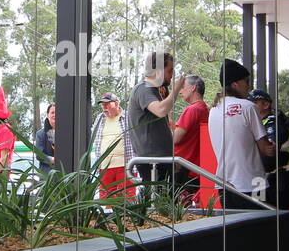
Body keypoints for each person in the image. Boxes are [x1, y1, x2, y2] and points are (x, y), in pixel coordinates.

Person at [206, 59, 273, 209]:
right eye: (246, 81)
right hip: (255, 182)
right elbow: (265, 148)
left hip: (225, 183)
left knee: (234, 230)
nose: (248, 85)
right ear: (235, 84)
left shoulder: (213, 110)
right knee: (258, 224)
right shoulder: (249, 107)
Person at [127, 51, 184, 199]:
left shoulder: (154, 90)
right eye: (169, 70)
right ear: (158, 70)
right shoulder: (143, 89)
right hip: (152, 161)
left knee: (168, 202)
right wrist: (176, 89)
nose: (171, 75)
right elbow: (160, 110)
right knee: (159, 205)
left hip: (161, 159)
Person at [249, 88, 289, 208]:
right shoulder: (260, 123)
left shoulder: (274, 123)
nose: (249, 105)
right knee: (259, 215)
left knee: (277, 218)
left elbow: (269, 152)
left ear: (266, 105)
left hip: (279, 179)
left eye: (253, 102)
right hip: (261, 178)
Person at [89, 92, 135, 198]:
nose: (104, 107)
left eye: (108, 104)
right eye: (102, 105)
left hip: (125, 166)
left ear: (117, 104)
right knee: (106, 201)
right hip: (104, 167)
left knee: (127, 200)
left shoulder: (128, 117)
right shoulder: (100, 118)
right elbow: (94, 137)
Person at [171, 75, 207, 204]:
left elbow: (175, 138)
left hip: (185, 168)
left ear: (193, 88)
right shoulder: (204, 108)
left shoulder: (192, 110)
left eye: (182, 87)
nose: (180, 91)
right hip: (196, 167)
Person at [35, 103, 57, 175]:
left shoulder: (66, 134)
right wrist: (53, 160)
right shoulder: (40, 134)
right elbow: (39, 155)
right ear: (47, 115)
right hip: (46, 176)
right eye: (52, 112)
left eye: (57, 112)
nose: (55, 115)